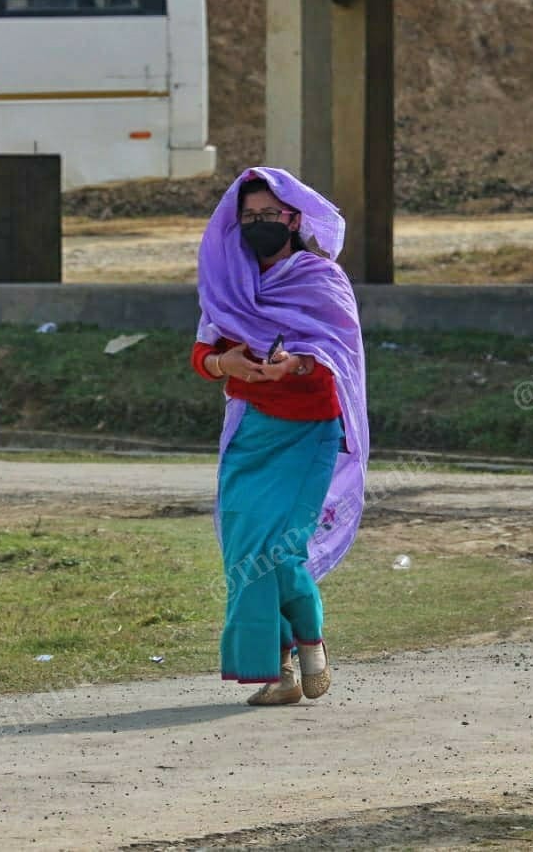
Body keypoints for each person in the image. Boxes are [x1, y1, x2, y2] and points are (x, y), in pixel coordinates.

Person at [191, 167, 368, 706]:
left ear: (294, 218)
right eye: (249, 217)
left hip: (309, 430)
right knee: (245, 552)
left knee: (281, 550)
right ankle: (280, 672)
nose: (259, 224)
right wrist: (228, 363)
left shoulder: (320, 279)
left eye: (270, 215)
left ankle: (309, 645)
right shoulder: (230, 280)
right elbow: (202, 356)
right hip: (251, 433)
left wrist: (292, 366)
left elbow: (337, 356)